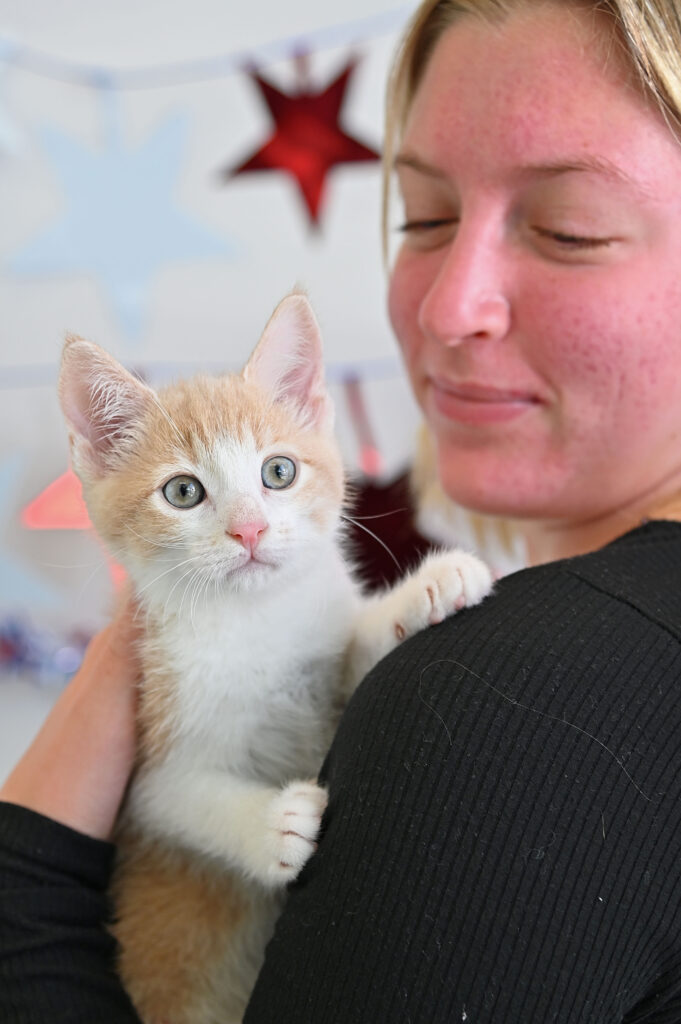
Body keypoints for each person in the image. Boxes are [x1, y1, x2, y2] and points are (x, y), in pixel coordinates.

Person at [4, 0, 681, 1019]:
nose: (451, 308)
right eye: (423, 217)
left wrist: (27, 877)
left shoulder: (512, 700)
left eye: (567, 227)